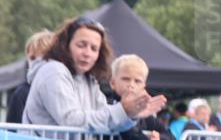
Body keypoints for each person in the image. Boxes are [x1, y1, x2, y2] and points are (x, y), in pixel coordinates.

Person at [22, 16, 165, 131]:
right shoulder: (53, 71)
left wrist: (131, 115)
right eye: (81, 45)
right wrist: (123, 110)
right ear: (66, 45)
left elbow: (104, 120)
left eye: (94, 48)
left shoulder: (88, 80)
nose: (87, 53)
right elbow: (71, 121)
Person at [107, 55, 175, 140]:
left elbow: (170, 137)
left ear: (143, 87)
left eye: (137, 81)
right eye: (125, 79)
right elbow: (128, 133)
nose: (131, 85)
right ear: (113, 83)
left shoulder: (143, 111)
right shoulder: (106, 106)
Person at [5, 30, 53, 124]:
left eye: (44, 58)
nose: (36, 62)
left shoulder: (65, 87)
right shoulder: (22, 93)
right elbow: (12, 129)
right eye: (32, 58)